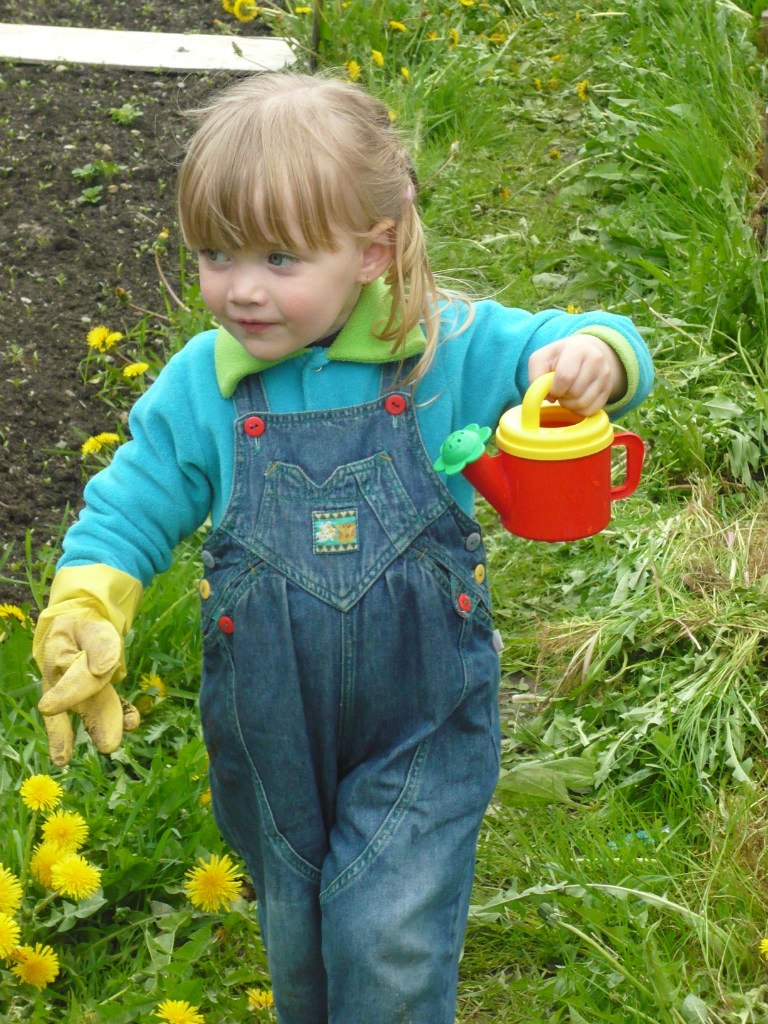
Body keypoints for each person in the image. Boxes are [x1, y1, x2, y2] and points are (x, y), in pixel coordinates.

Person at [32, 72, 654, 1024]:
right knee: (303, 936)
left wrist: (597, 357)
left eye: (281, 258)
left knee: (387, 933)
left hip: (420, 713)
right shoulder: (207, 384)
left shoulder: (442, 348)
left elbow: (577, 339)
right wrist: (86, 600)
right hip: (268, 724)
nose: (241, 288)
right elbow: (135, 497)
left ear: (372, 251)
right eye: (215, 253)